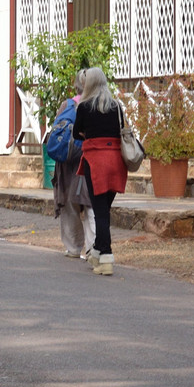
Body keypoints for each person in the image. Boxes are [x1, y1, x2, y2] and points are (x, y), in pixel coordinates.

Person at [72, 67, 128, 276]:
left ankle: (106, 257)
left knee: (99, 211)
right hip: (116, 161)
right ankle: (97, 251)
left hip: (95, 161)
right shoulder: (116, 106)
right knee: (104, 209)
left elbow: (76, 132)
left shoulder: (84, 107)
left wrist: (89, 132)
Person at [52, 70, 94, 259]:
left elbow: (56, 130)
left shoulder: (67, 105)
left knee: (70, 204)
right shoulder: (97, 104)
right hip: (90, 158)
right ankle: (93, 247)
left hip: (69, 160)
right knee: (90, 203)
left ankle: (73, 247)